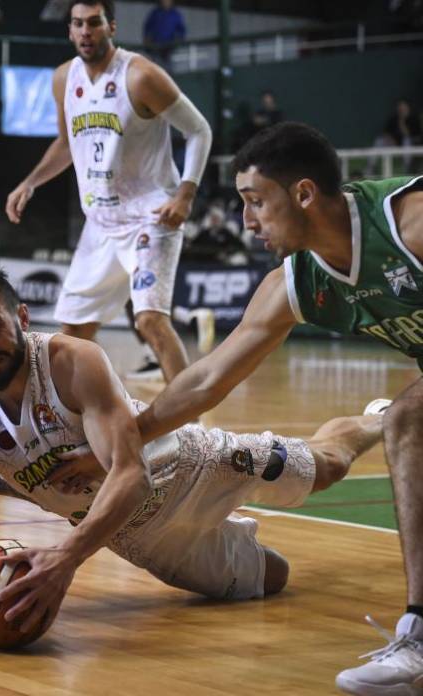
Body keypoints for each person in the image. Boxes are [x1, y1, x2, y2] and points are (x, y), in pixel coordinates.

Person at [80, 121, 423, 695]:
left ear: (304, 194)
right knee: (412, 418)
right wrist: (125, 441)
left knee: (410, 417)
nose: (246, 220)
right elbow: (208, 378)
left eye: (256, 201)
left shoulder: (408, 224)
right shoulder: (300, 280)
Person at [0, 262, 383, 639]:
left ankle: (386, 418)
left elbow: (131, 475)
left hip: (192, 466)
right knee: (274, 577)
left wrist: (65, 556)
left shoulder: (70, 362)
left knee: (329, 465)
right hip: (139, 538)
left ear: (21, 318)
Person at [5, 0, 213, 385]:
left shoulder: (141, 75)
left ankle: (190, 418)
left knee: (150, 320)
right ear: (69, 30)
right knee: (73, 332)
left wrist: (185, 194)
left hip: (152, 214)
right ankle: (85, 413)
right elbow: (66, 144)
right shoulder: (63, 78)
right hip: (100, 221)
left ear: (111, 27)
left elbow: (199, 129)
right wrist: (29, 182)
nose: (86, 31)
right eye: (78, 23)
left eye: (94, 22)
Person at [142, 0, 186, 73]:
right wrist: (147, 39)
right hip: (155, 47)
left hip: (168, 49)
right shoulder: (155, 13)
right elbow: (147, 28)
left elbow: (181, 31)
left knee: (168, 71)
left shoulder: (175, 14)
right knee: (155, 69)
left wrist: (177, 41)